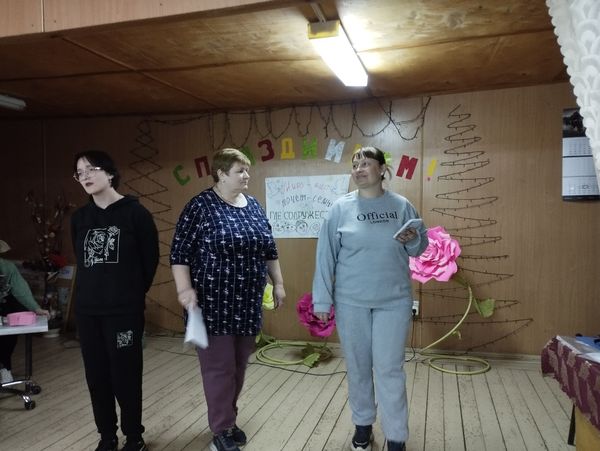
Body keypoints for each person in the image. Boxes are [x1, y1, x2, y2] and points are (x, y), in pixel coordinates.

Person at [311, 147, 428, 451]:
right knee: (358, 367)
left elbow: (418, 249)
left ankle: (396, 436)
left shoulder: (401, 206)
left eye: (366, 163)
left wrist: (414, 239)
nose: (359, 169)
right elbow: (325, 256)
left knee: (389, 369)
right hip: (351, 303)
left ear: (382, 170)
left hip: (394, 301)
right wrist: (321, 301)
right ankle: (363, 426)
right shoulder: (340, 208)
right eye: (355, 165)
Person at [170, 148, 285, 451]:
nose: (246, 175)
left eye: (247, 170)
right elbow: (179, 253)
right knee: (219, 369)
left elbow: (269, 249)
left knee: (238, 367)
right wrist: (184, 289)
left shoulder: (253, 205)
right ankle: (221, 428)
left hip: (247, 305)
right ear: (221, 174)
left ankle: (228, 421)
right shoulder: (200, 206)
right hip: (213, 304)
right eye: (239, 171)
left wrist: (279, 283)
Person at [70, 150, 159, 451]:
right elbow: (82, 261)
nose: (85, 176)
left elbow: (150, 261)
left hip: (124, 312)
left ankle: (134, 436)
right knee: (96, 376)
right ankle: (106, 436)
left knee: (126, 375)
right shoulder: (80, 218)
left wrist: (129, 294)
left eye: (90, 169)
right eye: (79, 172)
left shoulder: (136, 214)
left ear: (109, 173)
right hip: (88, 312)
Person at [0, 240, 50, 384]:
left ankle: (4, 368)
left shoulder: (7, 267)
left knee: (8, 334)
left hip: (4, 302)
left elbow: (20, 289)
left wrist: (36, 308)